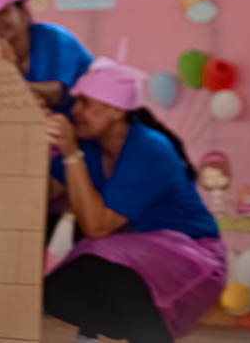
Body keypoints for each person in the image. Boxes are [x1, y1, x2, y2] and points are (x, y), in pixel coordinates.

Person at [44, 58, 226, 343]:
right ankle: (104, 334)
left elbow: (97, 227)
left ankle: (147, 337)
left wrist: (70, 154)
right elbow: (49, 192)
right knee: (56, 291)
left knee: (102, 261)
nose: (76, 111)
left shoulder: (150, 149)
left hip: (190, 253)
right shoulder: (91, 146)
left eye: (87, 105)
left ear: (116, 111)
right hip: (128, 251)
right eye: (78, 102)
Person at [0, 0, 92, 115]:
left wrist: (11, 84)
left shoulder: (56, 40)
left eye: (3, 12)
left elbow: (60, 95)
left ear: (23, 12)